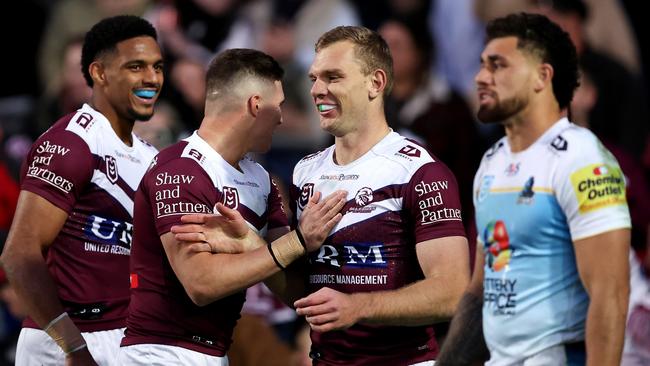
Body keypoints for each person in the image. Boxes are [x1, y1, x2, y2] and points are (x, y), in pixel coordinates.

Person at [176, 26, 470, 365]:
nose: (317, 90)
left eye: (333, 77)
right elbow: (304, 293)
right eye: (315, 78)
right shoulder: (306, 173)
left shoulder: (420, 171)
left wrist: (359, 306)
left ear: (376, 83)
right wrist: (252, 247)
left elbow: (452, 291)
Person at [118, 48, 347, 365]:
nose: (281, 117)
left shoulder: (262, 181)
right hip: (161, 351)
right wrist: (297, 241)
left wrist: (253, 244)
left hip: (215, 352)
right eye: (277, 105)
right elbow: (200, 283)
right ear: (255, 105)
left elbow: (295, 290)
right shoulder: (178, 169)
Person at [436, 12, 632, 366]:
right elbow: (481, 292)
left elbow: (611, 297)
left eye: (498, 66)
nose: (481, 77)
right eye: (481, 65)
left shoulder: (581, 158)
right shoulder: (492, 162)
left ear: (542, 76)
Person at [0, 15, 163, 365]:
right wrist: (72, 347)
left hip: (128, 336)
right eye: (136, 66)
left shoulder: (152, 158)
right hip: (65, 342)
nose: (152, 78)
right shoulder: (71, 143)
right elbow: (19, 257)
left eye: (157, 67)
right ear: (99, 73)